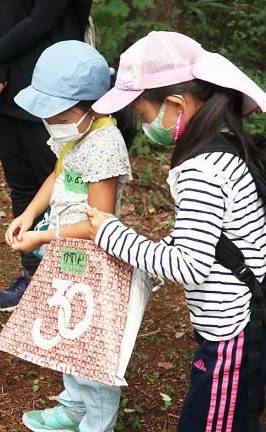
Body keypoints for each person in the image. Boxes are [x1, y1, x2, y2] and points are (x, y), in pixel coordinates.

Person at [87, 31, 266, 431]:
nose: (145, 125)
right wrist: (150, 261)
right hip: (244, 319)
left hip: (231, 333)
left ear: (174, 104)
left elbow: (188, 265)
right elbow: (212, 239)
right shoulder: (225, 141)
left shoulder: (200, 170)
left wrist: (111, 233)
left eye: (143, 113)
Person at [6, 40, 135, 432]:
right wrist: (29, 214)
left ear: (87, 106)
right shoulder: (77, 132)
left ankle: (97, 424)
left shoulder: (104, 144)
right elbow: (57, 175)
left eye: (55, 111)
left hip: (93, 259)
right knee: (68, 330)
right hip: (68, 253)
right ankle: (74, 406)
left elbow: (100, 222)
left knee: (91, 345)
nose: (48, 120)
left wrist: (44, 238)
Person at [0, 0, 92, 312]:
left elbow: (42, 19)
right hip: (0, 86)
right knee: (22, 185)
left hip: (54, 89)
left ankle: (75, 283)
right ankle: (33, 274)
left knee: (69, 189)